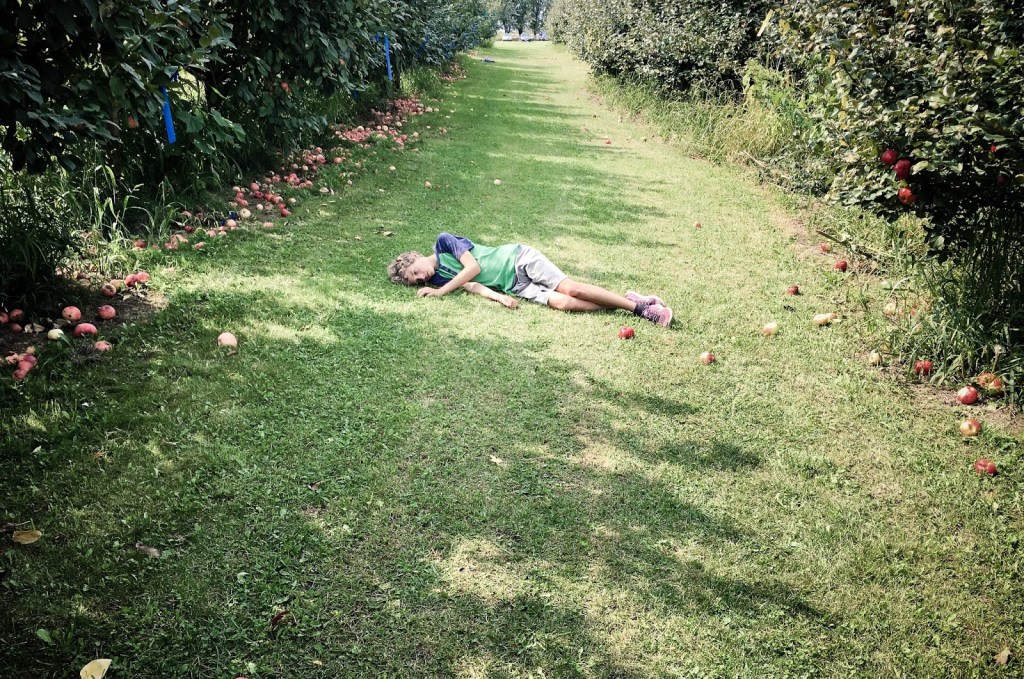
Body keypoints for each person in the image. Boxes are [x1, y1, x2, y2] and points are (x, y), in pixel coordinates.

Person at [387, 233, 673, 326]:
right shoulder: (439, 280)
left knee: (571, 288)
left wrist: (441, 292)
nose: (422, 278)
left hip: (518, 259)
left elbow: (472, 268)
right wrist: (499, 297)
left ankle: (641, 309)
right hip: (515, 285)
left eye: (416, 272)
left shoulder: (443, 242)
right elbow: (472, 285)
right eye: (417, 282)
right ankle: (626, 301)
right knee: (564, 303)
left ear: (415, 256)